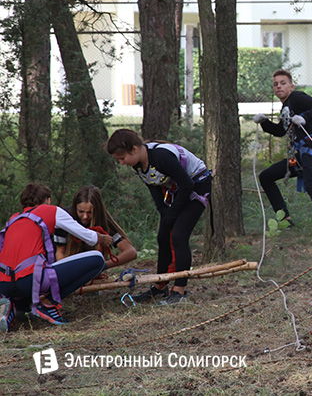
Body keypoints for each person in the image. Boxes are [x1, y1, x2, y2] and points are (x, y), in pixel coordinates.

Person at [106, 129, 212, 305]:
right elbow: (152, 184)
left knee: (179, 235)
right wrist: (163, 209)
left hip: (196, 186)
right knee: (163, 237)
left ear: (134, 149)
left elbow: (187, 184)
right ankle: (160, 286)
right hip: (178, 191)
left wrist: (173, 212)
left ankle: (180, 290)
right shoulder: (138, 163)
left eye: (122, 158)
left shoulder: (161, 157)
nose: (122, 162)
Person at [0, 183, 111, 329]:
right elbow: (89, 237)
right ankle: (48, 303)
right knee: (97, 260)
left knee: (23, 280)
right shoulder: (50, 211)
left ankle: (14, 308)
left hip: (4, 285)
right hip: (30, 279)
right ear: (48, 200)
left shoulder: (13, 220)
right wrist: (103, 238)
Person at [254, 69, 312, 243]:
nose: (279, 86)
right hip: (298, 155)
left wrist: (305, 117)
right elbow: (281, 130)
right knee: (266, 177)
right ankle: (285, 220)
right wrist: (264, 122)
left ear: (291, 86)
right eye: (275, 84)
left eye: (283, 83)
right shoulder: (286, 106)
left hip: (310, 149)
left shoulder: (295, 97)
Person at [54, 185, 138, 270]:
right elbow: (60, 252)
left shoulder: (103, 221)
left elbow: (131, 252)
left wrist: (103, 266)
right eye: (81, 211)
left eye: (90, 212)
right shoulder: (64, 219)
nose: (85, 216)